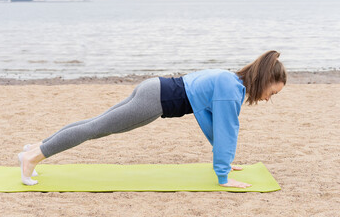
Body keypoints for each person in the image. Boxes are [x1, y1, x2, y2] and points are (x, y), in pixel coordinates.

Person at [18, 50, 287, 188]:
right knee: (95, 128)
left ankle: (33, 149)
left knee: (94, 124)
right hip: (155, 101)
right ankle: (34, 157)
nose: (268, 98)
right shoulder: (231, 91)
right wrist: (223, 177)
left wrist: (224, 162)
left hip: (154, 88)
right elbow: (228, 130)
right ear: (266, 80)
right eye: (272, 92)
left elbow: (212, 121)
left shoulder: (230, 81)